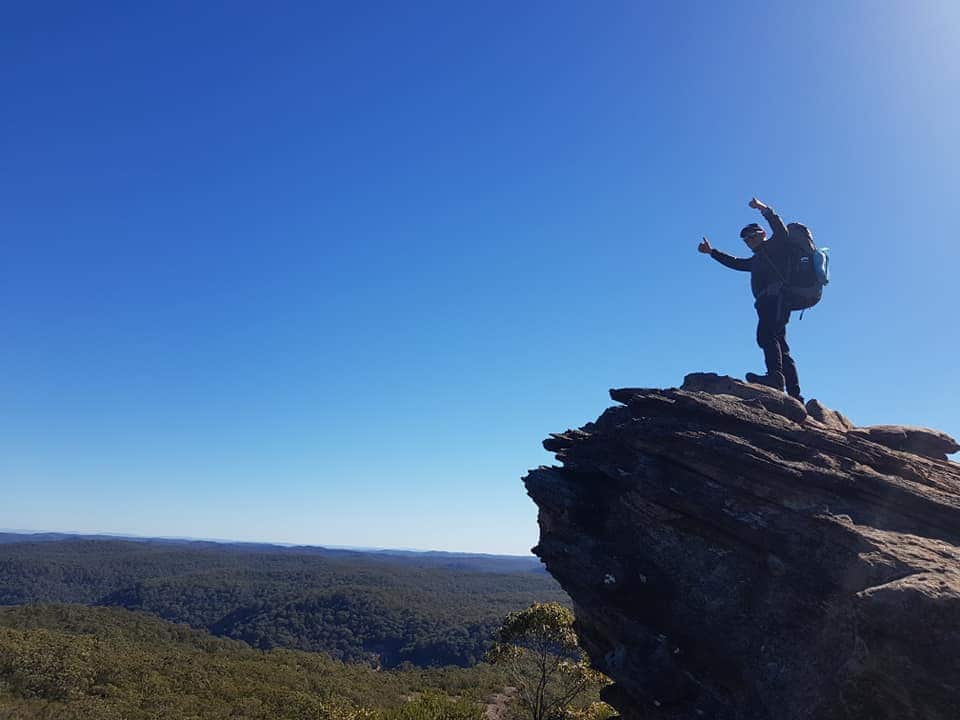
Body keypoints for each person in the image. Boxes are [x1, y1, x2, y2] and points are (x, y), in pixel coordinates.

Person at [698, 198, 805, 402]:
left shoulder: (776, 246)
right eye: (746, 240)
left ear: (762, 234)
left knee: (765, 335)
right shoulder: (756, 259)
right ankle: (795, 395)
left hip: (777, 298)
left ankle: (775, 378)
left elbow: (780, 229)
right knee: (780, 344)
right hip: (766, 302)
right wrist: (712, 252)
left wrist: (764, 209)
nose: (750, 241)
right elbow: (736, 263)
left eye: (753, 236)